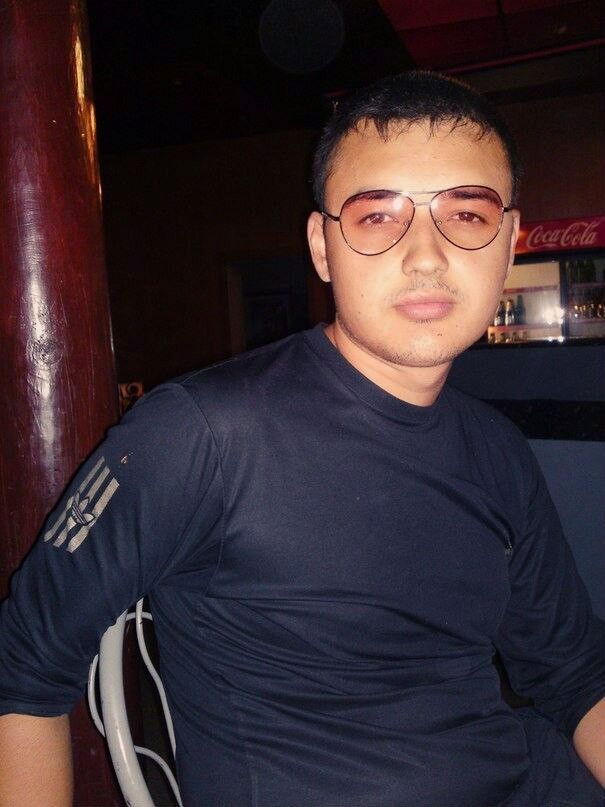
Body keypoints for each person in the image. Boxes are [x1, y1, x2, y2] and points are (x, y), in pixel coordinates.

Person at [1, 71, 604, 807]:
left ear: (508, 243)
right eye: (377, 216)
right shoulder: (200, 433)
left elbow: (574, 672)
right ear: (322, 246)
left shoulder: (496, 448)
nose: (425, 254)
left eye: (467, 214)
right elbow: (23, 668)